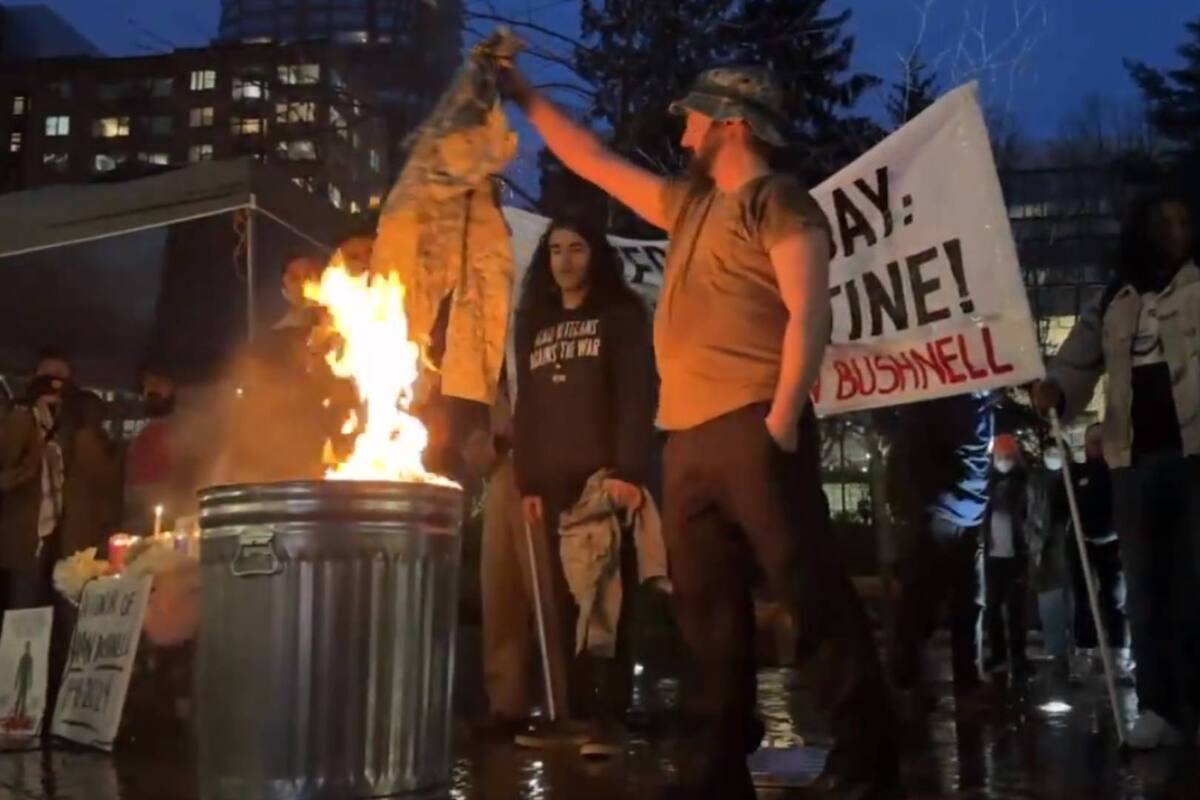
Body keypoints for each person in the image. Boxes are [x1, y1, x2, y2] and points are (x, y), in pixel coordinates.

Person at [501, 64, 897, 798]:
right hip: (685, 439)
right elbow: (593, 159)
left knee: (808, 593)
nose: (683, 133)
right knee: (706, 613)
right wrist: (521, 93)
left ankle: (868, 763)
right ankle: (718, 768)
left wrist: (781, 418)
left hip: (752, 427)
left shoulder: (777, 201)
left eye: (695, 119)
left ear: (732, 125)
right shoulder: (689, 206)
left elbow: (809, 309)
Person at [1032, 190, 1200, 750]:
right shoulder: (1115, 298)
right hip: (1132, 458)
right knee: (1144, 587)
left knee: (1191, 581)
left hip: (1194, 453)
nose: (1176, 231)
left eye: (1184, 220)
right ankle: (1157, 707)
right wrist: (1056, 390)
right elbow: (1077, 359)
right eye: (1164, 222)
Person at [512, 217, 656, 752]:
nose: (565, 261)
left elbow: (637, 395)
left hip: (605, 481)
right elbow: (527, 405)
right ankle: (569, 714)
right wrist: (527, 480)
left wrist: (629, 471)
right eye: (555, 250)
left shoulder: (620, 317)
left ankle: (608, 718)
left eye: (576, 248)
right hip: (551, 483)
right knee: (563, 601)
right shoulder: (535, 323)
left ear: (595, 255)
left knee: (609, 598)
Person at [888, 392, 993, 699]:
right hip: (940, 509)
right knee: (925, 602)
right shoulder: (931, 397)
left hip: (967, 513)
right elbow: (911, 445)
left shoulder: (983, 402)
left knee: (967, 605)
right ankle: (908, 681)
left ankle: (962, 682)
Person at [1066, 423, 1133, 686]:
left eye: (1100, 442)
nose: (1096, 447)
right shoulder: (1077, 472)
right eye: (1092, 442)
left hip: (1111, 544)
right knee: (1083, 600)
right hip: (1082, 544)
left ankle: (1119, 657)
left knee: (1115, 600)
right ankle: (1085, 653)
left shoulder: (1118, 473)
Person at [983, 434, 1031, 677]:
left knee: (1015, 611)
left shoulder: (1022, 483)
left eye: (1007, 456)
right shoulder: (987, 483)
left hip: (1015, 554)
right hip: (992, 555)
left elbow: (1028, 515)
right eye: (1000, 456)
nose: (1003, 460)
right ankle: (999, 655)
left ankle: (1018, 656)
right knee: (992, 609)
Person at [1027, 442, 1074, 681]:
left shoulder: (1072, 478)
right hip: (1047, 552)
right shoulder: (1036, 481)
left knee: (1071, 606)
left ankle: (1073, 653)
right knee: (1052, 607)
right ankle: (1059, 656)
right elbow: (1031, 516)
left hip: (1070, 549)